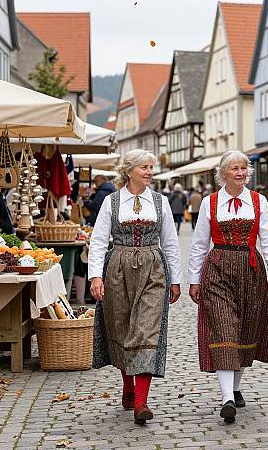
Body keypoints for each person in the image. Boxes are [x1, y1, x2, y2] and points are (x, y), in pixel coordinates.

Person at [88, 149, 182, 425]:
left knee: (146, 329)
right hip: (118, 267)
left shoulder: (160, 201)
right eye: (144, 167)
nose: (150, 172)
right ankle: (127, 386)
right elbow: (98, 240)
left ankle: (141, 402)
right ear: (129, 171)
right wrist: (96, 276)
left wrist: (175, 279)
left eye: (151, 167)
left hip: (153, 267)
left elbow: (171, 243)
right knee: (121, 327)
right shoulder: (112, 202)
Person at [188, 150, 268, 424]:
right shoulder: (210, 202)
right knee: (224, 326)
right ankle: (227, 397)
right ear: (223, 173)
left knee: (245, 329)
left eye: (243, 169)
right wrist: (194, 279)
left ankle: (237, 387)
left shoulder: (258, 200)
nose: (240, 173)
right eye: (234, 169)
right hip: (217, 267)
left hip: (251, 268)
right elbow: (199, 243)